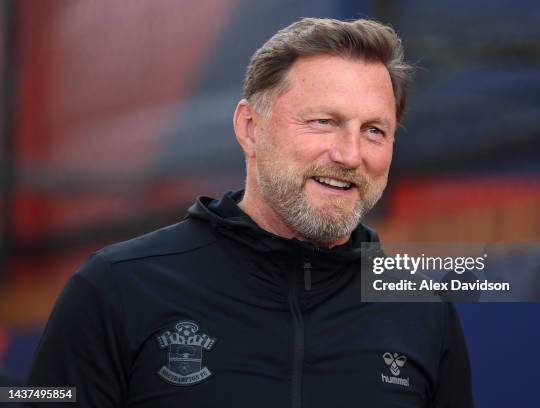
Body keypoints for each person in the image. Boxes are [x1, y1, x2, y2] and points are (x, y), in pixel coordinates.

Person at [28, 18, 473, 407]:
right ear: (250, 128)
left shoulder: (421, 308)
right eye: (323, 122)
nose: (350, 154)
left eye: (374, 130)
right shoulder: (116, 288)